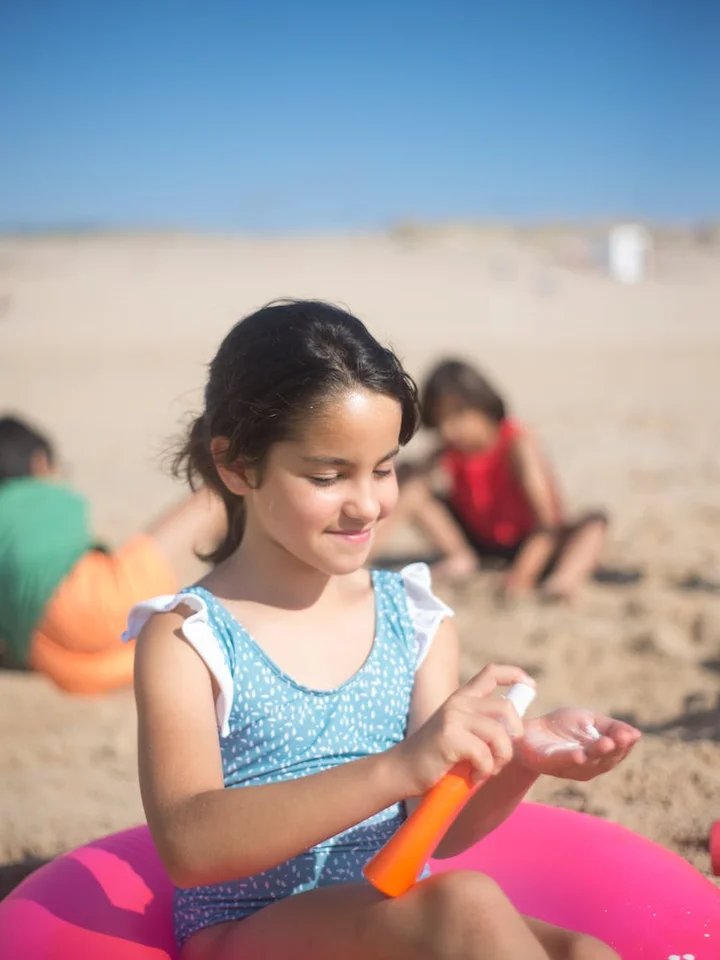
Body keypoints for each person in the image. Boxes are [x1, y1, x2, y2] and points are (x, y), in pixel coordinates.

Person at [125, 300, 639, 960]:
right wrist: (398, 767)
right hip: (248, 925)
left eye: (385, 468)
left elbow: (438, 834)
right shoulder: (190, 639)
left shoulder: (412, 618)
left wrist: (514, 761)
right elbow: (189, 847)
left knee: (583, 952)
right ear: (236, 466)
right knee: (467, 904)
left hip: (393, 915)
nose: (367, 504)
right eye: (328, 475)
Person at [0, 415, 225, 694]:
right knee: (218, 494)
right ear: (40, 463)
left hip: (53, 655)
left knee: (149, 650)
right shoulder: (38, 494)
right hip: (94, 603)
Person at [373, 360, 608, 600]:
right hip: (477, 539)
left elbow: (546, 524)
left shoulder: (517, 444)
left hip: (531, 542)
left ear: (482, 404)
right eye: (441, 420)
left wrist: (522, 575)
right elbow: (410, 483)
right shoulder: (450, 450)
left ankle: (563, 581)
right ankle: (446, 557)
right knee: (413, 490)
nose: (448, 430)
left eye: (457, 415)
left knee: (594, 524)